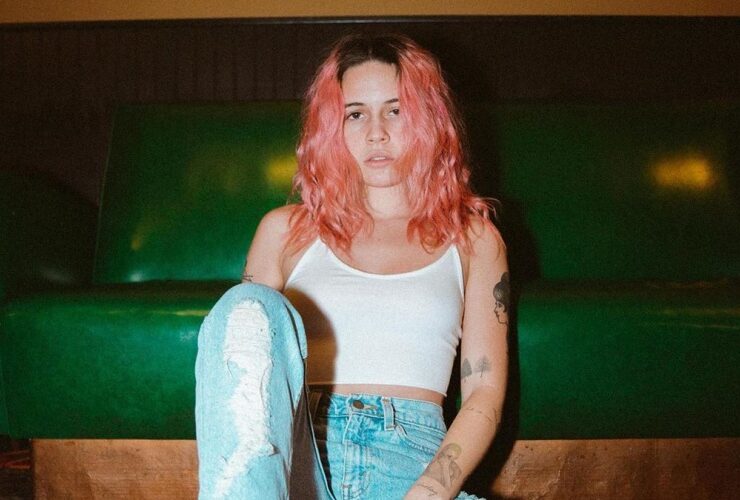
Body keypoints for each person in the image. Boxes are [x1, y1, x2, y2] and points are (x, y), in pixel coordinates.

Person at [196, 34, 508, 500]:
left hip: (412, 462)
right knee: (246, 305)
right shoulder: (284, 232)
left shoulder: (475, 239)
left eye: (396, 110)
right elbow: (243, 378)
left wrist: (431, 491)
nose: (376, 133)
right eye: (356, 114)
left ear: (428, 118)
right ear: (332, 128)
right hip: (294, 457)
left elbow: (484, 390)